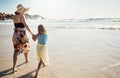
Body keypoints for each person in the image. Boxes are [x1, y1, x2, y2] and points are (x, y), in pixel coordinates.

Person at [12, 4, 33, 72]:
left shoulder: (14, 16)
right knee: (25, 46)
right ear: (20, 10)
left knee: (16, 50)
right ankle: (26, 60)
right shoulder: (22, 16)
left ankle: (14, 67)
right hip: (22, 34)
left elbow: (17, 25)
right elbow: (25, 25)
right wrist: (32, 33)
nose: (24, 11)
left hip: (15, 34)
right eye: (23, 10)